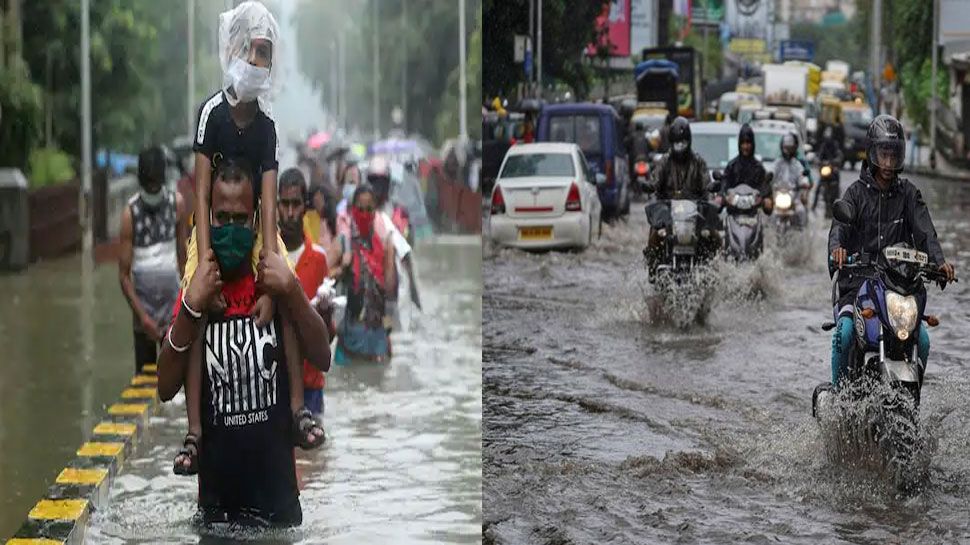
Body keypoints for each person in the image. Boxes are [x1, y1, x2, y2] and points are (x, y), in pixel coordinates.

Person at [157, 156, 331, 527]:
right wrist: (191, 307)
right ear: (208, 219)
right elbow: (163, 385)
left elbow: (323, 356)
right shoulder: (200, 287)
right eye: (222, 219)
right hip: (218, 515)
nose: (231, 229)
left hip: (279, 512)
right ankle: (195, 437)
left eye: (241, 219)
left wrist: (293, 291)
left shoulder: (271, 279)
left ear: (256, 219)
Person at [826, 115, 955, 389]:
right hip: (857, 285)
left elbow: (924, 230)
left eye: (893, 155)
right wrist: (837, 249)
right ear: (872, 153)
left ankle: (912, 402)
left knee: (922, 339)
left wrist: (939, 262)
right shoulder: (856, 194)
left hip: (897, 289)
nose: (888, 162)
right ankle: (838, 398)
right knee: (845, 333)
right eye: (883, 155)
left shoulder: (909, 194)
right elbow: (839, 226)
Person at [188, 1, 284, 326]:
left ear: (272, 62)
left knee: (289, 290)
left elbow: (269, 206)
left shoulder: (268, 128)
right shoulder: (211, 114)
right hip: (210, 228)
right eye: (247, 49)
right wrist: (204, 264)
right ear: (231, 48)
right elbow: (200, 194)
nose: (254, 60)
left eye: (263, 52)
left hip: (253, 228)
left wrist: (271, 287)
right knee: (192, 297)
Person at [119, 147, 189, 374]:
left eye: (156, 186)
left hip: (173, 313)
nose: (153, 191)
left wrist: (184, 308)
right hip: (143, 317)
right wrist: (143, 317)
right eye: (148, 186)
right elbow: (123, 276)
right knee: (146, 378)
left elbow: (184, 259)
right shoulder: (130, 214)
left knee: (177, 378)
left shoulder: (176, 204)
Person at [279, 168, 337, 419]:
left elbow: (329, 335)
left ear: (305, 208)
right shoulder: (267, 256)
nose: (290, 213)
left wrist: (325, 312)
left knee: (313, 457)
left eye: (295, 204)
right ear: (276, 205)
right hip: (276, 385)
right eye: (284, 204)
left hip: (311, 385)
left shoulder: (318, 259)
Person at [643, 116, 719, 276]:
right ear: (671, 142)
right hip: (668, 213)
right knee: (655, 235)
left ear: (689, 141)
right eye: (677, 143)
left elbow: (707, 183)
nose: (680, 147)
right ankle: (652, 269)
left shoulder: (698, 162)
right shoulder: (664, 161)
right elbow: (655, 180)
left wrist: (711, 187)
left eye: (683, 143)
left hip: (694, 212)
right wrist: (650, 185)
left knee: (714, 236)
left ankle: (716, 269)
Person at [333, 183, 398, 363]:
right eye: (360, 209)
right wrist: (341, 269)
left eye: (369, 209)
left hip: (377, 340)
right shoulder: (343, 243)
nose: (364, 214)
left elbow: (391, 291)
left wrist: (390, 254)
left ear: (375, 211)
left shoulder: (383, 245)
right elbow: (323, 278)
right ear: (353, 210)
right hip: (350, 342)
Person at [365, 157, 423, 312]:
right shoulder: (362, 212)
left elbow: (407, 253)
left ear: (388, 185)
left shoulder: (397, 212)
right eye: (374, 183)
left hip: (394, 281)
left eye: (381, 183)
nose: (377, 188)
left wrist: (415, 298)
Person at [720, 123, 771, 207]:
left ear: (753, 144)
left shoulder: (758, 168)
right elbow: (725, 183)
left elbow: (764, 186)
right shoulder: (732, 166)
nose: (745, 147)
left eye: (748, 143)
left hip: (754, 211)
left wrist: (765, 199)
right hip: (733, 210)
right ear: (739, 144)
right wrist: (721, 195)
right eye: (743, 143)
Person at [812, 126, 844, 212]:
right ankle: (813, 206)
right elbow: (818, 156)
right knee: (819, 185)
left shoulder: (835, 145)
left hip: (832, 169)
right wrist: (818, 161)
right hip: (825, 169)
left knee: (837, 176)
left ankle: (837, 202)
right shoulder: (823, 146)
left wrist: (835, 161)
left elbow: (839, 155)